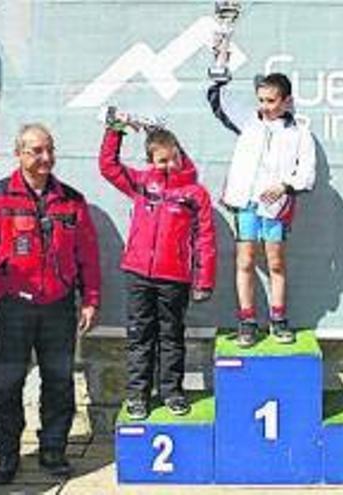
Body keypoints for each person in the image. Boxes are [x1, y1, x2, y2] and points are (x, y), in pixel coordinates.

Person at [0, 123, 101, 484]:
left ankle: (53, 449)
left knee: (59, 382)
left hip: (58, 306)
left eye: (49, 150)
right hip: (13, 309)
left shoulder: (71, 200)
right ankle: (5, 455)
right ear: (19, 153)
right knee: (6, 386)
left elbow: (87, 254)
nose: (45, 158)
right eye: (36, 151)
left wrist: (90, 300)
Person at [99, 116, 216, 420]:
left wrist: (203, 280)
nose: (168, 165)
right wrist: (115, 131)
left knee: (171, 336)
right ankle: (138, 395)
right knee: (140, 335)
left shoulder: (195, 193)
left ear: (180, 154)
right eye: (161, 160)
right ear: (150, 161)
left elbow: (205, 239)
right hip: (137, 273)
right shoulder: (140, 183)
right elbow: (108, 167)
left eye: (173, 158)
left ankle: (172, 392)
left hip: (174, 277)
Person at [207, 72, 316, 347]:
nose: (265, 106)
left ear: (286, 101)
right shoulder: (247, 123)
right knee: (245, 261)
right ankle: (247, 321)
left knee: (275, 263)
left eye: (271, 100)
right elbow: (217, 101)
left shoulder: (300, 133)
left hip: (275, 206)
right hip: (245, 203)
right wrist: (219, 67)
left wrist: (285, 185)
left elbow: (308, 173)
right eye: (261, 100)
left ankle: (278, 320)